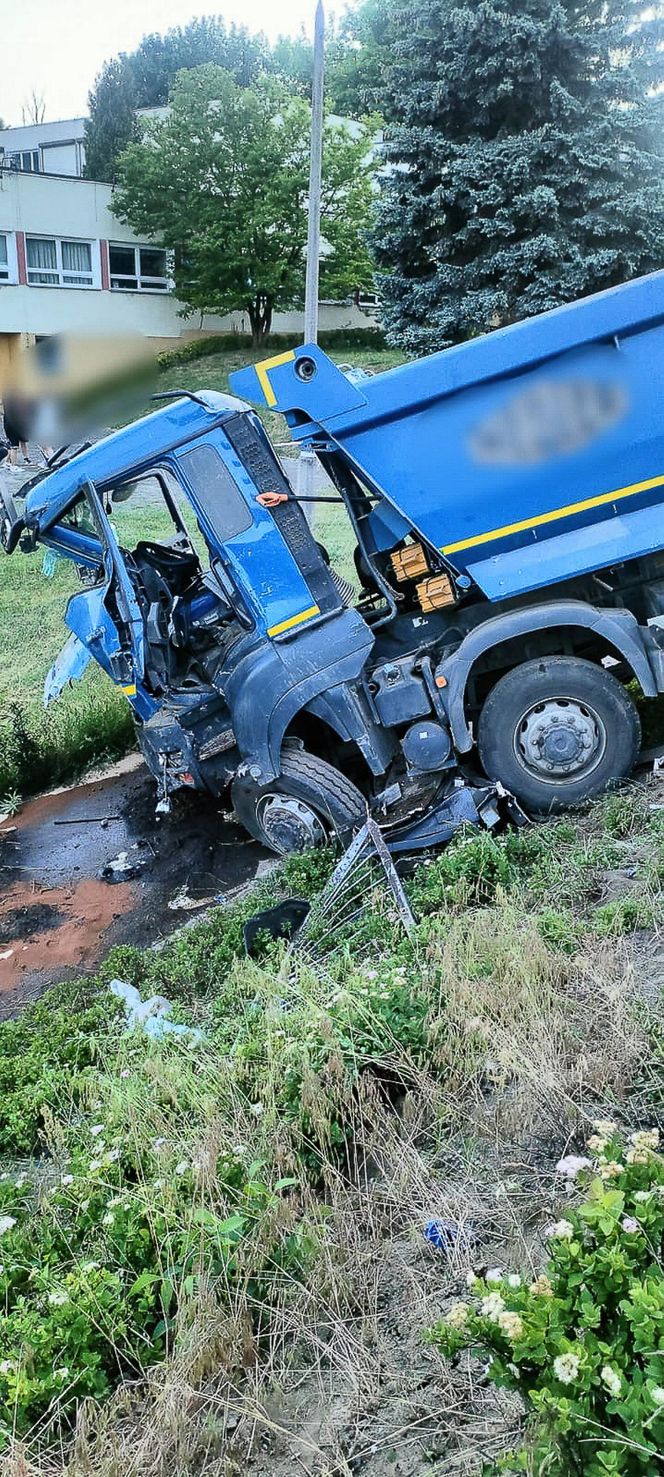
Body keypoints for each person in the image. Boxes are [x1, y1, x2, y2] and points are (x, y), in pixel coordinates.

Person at [2, 393, 33, 465]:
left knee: (23, 441)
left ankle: (26, 459)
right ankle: (13, 465)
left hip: (18, 422)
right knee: (14, 445)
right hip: (12, 424)